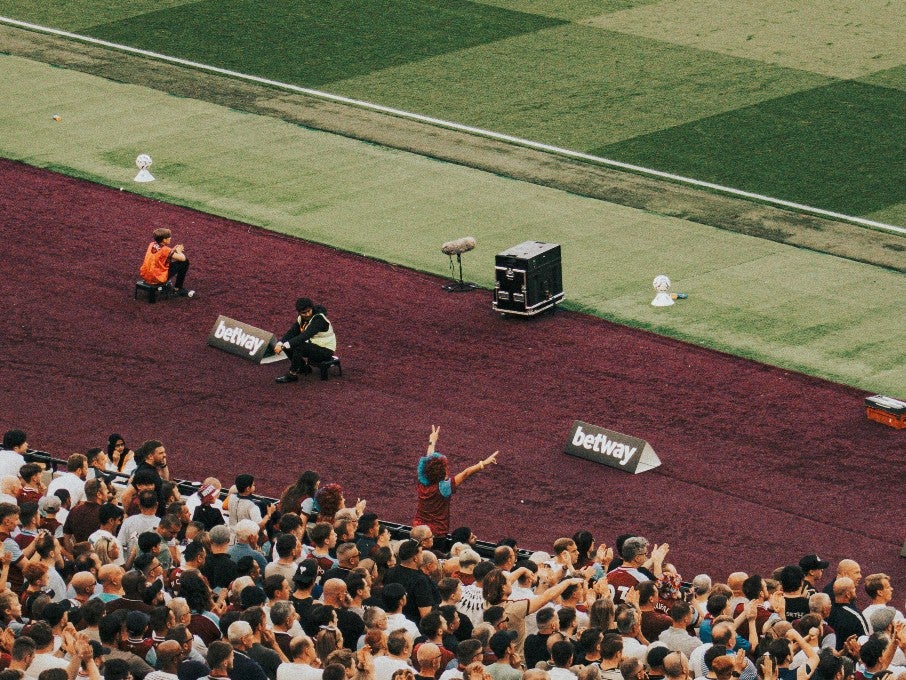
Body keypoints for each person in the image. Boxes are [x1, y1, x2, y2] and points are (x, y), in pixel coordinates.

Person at [413, 425, 498, 538]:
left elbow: (429, 462)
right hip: (437, 533)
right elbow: (465, 473)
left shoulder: (422, 482)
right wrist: (484, 463)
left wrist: (432, 442)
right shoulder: (444, 488)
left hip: (418, 530)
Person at [274, 298, 336, 384]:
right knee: (290, 344)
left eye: (309, 311)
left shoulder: (319, 320)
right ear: (299, 312)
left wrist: (284, 345)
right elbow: (292, 332)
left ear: (312, 308)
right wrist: (280, 343)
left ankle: (292, 375)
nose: (307, 314)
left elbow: (305, 336)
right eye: (303, 313)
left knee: (298, 345)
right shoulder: (301, 318)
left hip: (326, 351)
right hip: (314, 346)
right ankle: (302, 368)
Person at [139, 227, 194, 297]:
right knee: (185, 262)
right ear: (164, 240)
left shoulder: (151, 244)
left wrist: (172, 250)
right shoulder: (165, 250)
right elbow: (183, 258)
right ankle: (178, 289)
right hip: (156, 278)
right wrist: (179, 251)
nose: (170, 238)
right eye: (169, 237)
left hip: (146, 275)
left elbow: (162, 255)